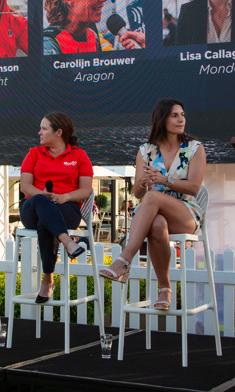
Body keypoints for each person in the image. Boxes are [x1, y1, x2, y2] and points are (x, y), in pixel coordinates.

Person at [98, 99, 206, 312]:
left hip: (185, 213)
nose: (181, 119)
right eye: (175, 115)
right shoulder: (145, 150)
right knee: (156, 224)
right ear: (162, 119)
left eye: (182, 114)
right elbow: (138, 193)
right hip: (153, 212)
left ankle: (124, 260)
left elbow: (194, 188)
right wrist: (143, 181)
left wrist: (164, 181)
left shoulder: (195, 148)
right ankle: (165, 289)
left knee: (153, 198)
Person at [19, 112, 93, 302]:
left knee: (47, 222)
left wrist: (64, 196)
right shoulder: (34, 153)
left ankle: (47, 279)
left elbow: (85, 190)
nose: (39, 132)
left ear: (59, 132)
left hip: (66, 208)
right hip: (33, 208)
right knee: (41, 202)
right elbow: (25, 186)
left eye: (44, 129)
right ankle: (68, 242)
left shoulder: (79, 156)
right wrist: (43, 195)